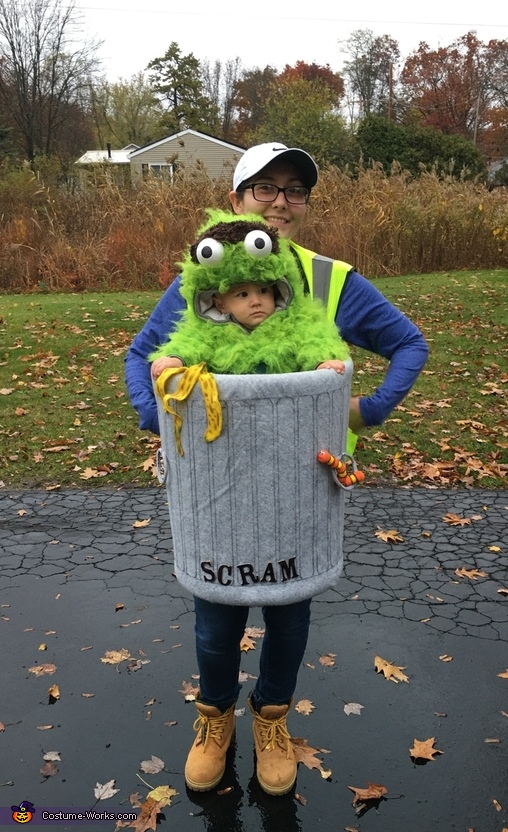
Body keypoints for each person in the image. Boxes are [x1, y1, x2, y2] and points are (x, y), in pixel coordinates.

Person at [124, 143, 429, 797]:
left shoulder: (331, 281)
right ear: (235, 202)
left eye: (294, 190)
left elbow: (409, 341)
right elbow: (143, 353)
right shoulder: (202, 278)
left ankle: (271, 719)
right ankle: (214, 720)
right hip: (217, 492)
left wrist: (365, 410)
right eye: (264, 188)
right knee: (215, 619)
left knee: (289, 616)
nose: (281, 201)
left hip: (299, 492)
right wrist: (159, 417)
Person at [149, 209, 349, 379]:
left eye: (264, 291)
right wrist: (177, 359)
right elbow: (191, 343)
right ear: (220, 304)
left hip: (288, 411)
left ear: (278, 290)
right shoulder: (209, 332)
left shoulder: (294, 325)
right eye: (242, 295)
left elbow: (314, 339)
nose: (256, 301)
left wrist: (321, 362)